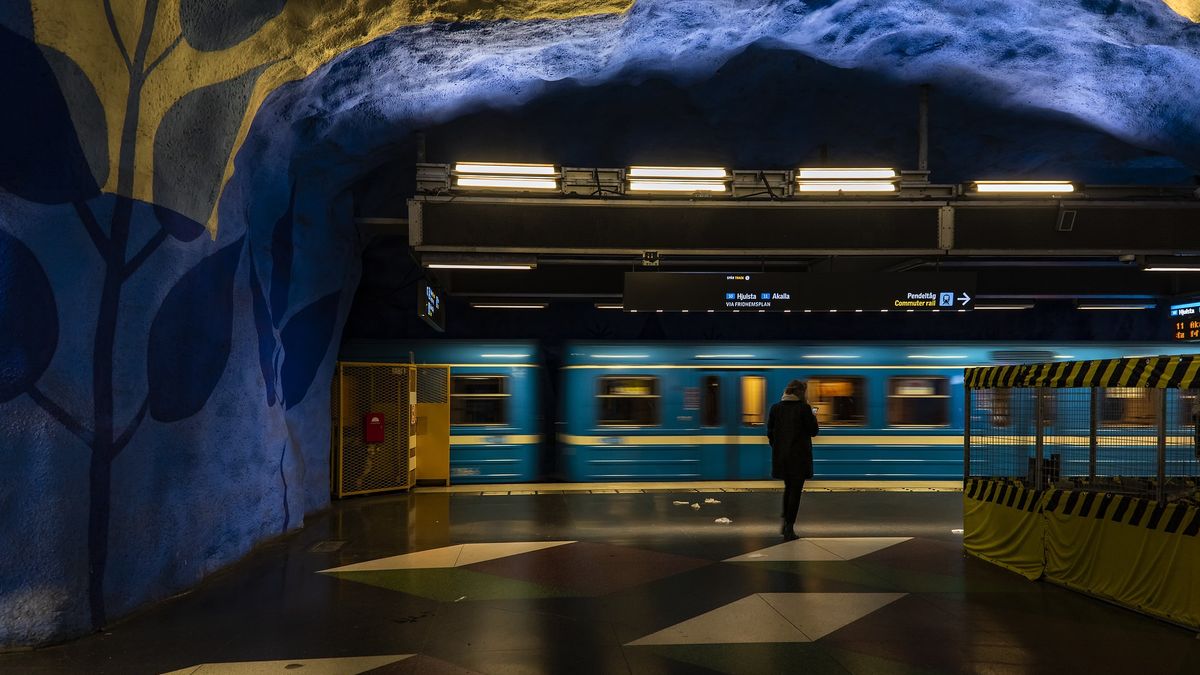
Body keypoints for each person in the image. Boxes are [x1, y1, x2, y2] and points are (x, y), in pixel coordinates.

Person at [767, 379, 819, 541]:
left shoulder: (775, 408)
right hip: (799, 458)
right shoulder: (804, 409)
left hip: (782, 458)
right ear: (801, 393)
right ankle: (789, 528)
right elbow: (813, 431)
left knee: (788, 489)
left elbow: (770, 433)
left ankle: (785, 524)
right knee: (795, 492)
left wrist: (778, 448)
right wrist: (814, 415)